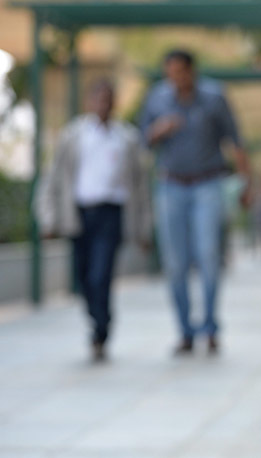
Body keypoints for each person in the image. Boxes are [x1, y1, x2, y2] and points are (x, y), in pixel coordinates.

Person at [141, 49, 251, 356]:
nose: (175, 79)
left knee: (208, 257)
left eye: (180, 72)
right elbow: (142, 140)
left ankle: (211, 327)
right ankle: (185, 331)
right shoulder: (157, 98)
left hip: (208, 183)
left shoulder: (214, 96)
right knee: (175, 263)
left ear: (192, 72)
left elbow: (235, 139)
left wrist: (246, 182)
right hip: (170, 186)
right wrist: (158, 130)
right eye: (170, 73)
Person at [36, 80, 152, 361]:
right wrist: (47, 217)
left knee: (102, 274)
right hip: (79, 214)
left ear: (114, 103)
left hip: (112, 214)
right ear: (89, 102)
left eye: (108, 99)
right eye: (98, 99)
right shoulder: (73, 135)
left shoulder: (126, 138)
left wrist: (144, 228)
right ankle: (98, 318)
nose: (103, 105)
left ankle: (101, 328)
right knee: (84, 277)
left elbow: (141, 186)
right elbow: (53, 177)